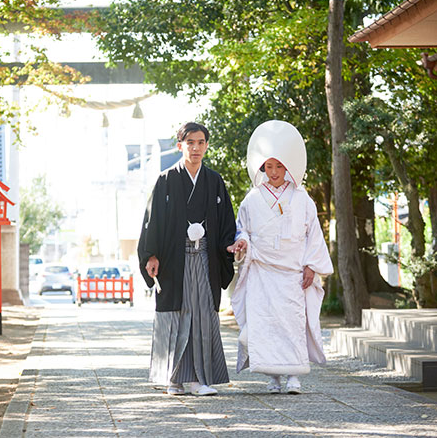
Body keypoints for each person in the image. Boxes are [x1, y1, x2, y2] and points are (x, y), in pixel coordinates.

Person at [229, 120, 333, 394]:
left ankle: (293, 376)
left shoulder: (303, 198)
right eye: (269, 166)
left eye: (279, 166)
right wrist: (241, 242)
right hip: (262, 271)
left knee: (292, 323)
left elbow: (313, 234)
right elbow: (242, 229)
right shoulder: (251, 199)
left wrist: (312, 265)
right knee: (265, 324)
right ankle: (272, 377)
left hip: (292, 272)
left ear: (288, 167)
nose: (274, 172)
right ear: (262, 168)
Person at [138, 122, 237, 396]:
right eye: (190, 142)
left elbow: (226, 221)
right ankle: (173, 378)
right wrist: (150, 255)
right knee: (177, 315)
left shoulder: (214, 181)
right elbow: (151, 222)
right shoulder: (166, 180)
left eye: (201, 142)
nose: (196, 148)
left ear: (207, 145)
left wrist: (228, 246)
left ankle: (198, 378)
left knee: (203, 313)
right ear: (180, 145)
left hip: (205, 256)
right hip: (174, 258)